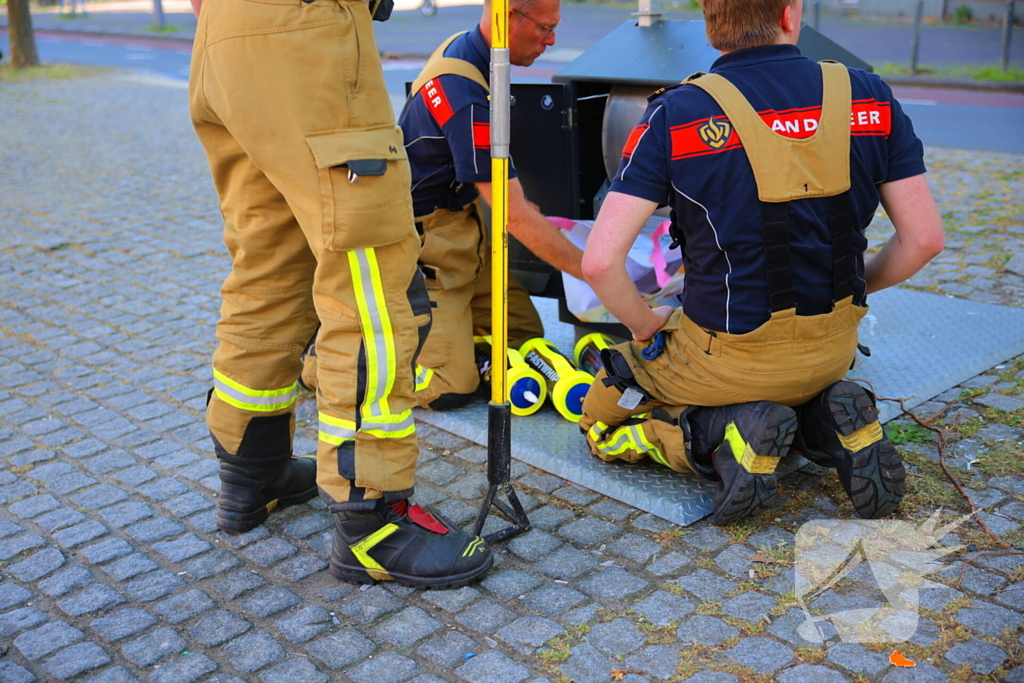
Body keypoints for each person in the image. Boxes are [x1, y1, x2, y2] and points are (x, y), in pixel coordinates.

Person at [578, 0, 944, 525]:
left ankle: (716, 438)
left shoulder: (676, 112)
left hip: (725, 360)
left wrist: (645, 324)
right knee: (799, 380)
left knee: (603, 411)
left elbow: (599, 264)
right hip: (834, 349)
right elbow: (925, 240)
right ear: (790, 14)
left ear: (709, 25)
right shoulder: (870, 94)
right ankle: (826, 422)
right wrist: (852, 291)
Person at [187, 0, 493, 588]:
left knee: (270, 265)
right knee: (373, 281)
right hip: (307, 37)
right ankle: (371, 520)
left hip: (222, 35)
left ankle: (252, 471)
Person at [301, 0, 585, 411]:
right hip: (426, 247)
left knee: (526, 340)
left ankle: (462, 340)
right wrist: (592, 271)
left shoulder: (468, 47)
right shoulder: (465, 94)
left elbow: (503, 193)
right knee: (451, 386)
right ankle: (331, 358)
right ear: (507, 18)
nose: (552, 40)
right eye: (544, 28)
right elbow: (515, 216)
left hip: (467, 227)